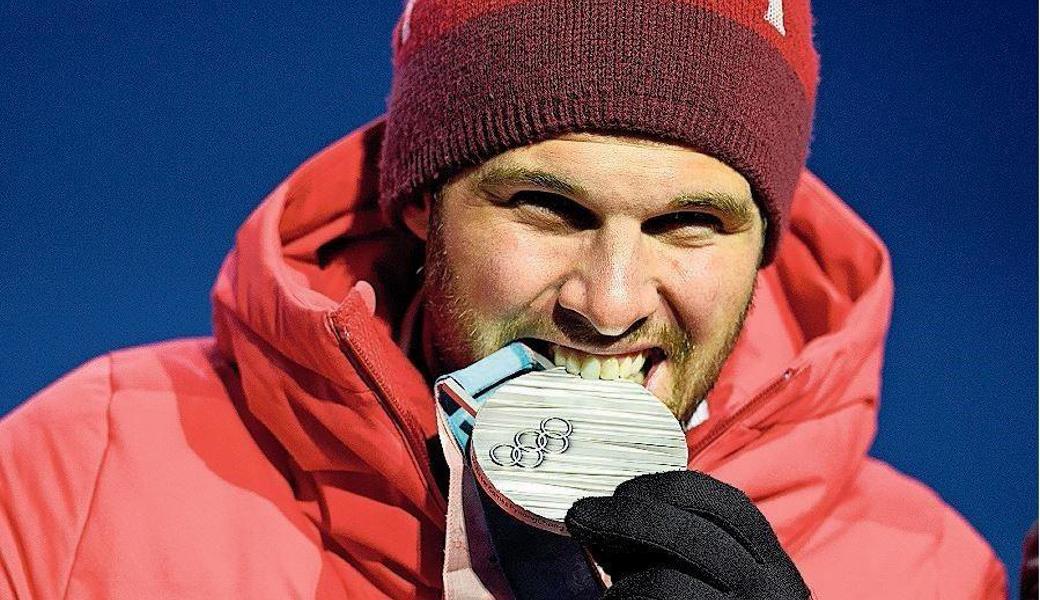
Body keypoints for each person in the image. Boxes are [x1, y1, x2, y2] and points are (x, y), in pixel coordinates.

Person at [0, 1, 1007, 598]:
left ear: (760, 245)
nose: (609, 304)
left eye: (685, 225)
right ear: (420, 204)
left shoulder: (929, 573)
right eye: (547, 207)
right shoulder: (80, 475)